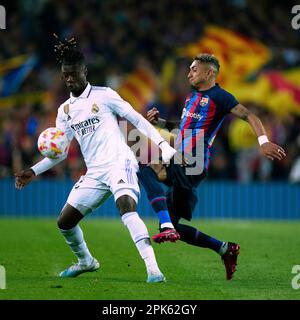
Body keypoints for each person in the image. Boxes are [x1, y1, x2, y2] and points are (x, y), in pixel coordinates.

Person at [14, 36, 179, 283]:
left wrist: (163, 145)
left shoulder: (104, 96)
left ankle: (153, 270)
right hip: (94, 172)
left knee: (126, 207)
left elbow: (136, 118)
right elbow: (59, 152)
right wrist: (33, 171)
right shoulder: (64, 112)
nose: (69, 78)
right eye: (65, 74)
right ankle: (86, 261)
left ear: (85, 72)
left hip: (119, 162)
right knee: (65, 222)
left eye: (74, 73)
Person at [138, 53, 286, 280]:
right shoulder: (191, 97)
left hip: (194, 159)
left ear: (210, 73)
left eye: (194, 69)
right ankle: (225, 248)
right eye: (189, 69)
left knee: (147, 167)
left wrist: (263, 142)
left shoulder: (220, 96)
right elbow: (185, 126)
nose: (188, 73)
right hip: (183, 158)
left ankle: (167, 224)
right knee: (173, 227)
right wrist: (160, 123)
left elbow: (249, 115)